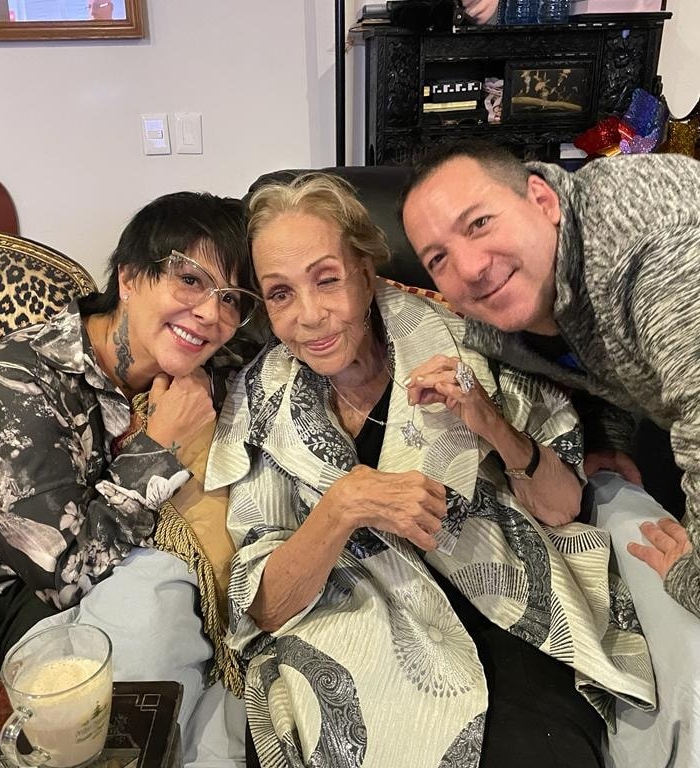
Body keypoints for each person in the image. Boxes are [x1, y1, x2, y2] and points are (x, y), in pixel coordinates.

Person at [205, 172, 655, 767]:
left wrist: (494, 425)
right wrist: (343, 506)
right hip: (356, 631)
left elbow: (563, 505)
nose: (309, 316)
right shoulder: (260, 402)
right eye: (281, 293)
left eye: (327, 279)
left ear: (365, 270)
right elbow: (265, 605)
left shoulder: (467, 341)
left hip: (495, 609)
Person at [0, 190, 260, 685]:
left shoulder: (206, 370)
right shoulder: (20, 378)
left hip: (38, 598)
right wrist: (159, 445)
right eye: (191, 280)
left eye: (231, 299)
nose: (212, 314)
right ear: (128, 278)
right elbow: (67, 575)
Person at [400, 141, 700, 619]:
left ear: (543, 200)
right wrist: (606, 437)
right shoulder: (500, 315)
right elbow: (600, 347)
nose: (470, 269)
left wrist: (694, 579)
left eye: (480, 223)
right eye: (438, 258)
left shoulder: (651, 248)